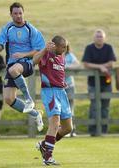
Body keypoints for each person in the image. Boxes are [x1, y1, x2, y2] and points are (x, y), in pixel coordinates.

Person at [0, 2, 45, 132]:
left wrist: (23, 54)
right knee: (9, 99)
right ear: (11, 14)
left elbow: (39, 50)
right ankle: (36, 114)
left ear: (24, 13)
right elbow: (0, 48)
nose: (18, 16)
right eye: (15, 13)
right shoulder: (7, 28)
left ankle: (29, 99)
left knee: (14, 69)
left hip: (27, 63)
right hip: (12, 66)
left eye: (20, 13)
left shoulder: (30, 29)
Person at [34, 36, 72, 165]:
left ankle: (44, 145)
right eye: (63, 47)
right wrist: (45, 49)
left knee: (67, 128)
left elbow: (58, 74)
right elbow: (34, 61)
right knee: (55, 124)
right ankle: (48, 157)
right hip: (50, 92)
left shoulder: (62, 57)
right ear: (55, 46)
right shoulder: (46, 54)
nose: (65, 49)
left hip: (61, 92)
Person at [82, 29, 116, 136]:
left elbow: (111, 63)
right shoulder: (89, 48)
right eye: (97, 36)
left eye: (101, 36)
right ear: (94, 38)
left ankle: (104, 130)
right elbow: (86, 64)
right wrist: (100, 67)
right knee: (94, 106)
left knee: (105, 107)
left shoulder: (108, 47)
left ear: (104, 38)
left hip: (107, 82)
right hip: (92, 83)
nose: (99, 38)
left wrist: (104, 67)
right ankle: (93, 131)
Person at [64, 41, 80, 137]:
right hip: (58, 86)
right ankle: (63, 130)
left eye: (65, 46)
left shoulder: (70, 56)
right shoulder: (54, 55)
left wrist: (66, 66)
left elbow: (77, 64)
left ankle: (72, 130)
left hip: (69, 85)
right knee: (61, 109)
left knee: (70, 109)